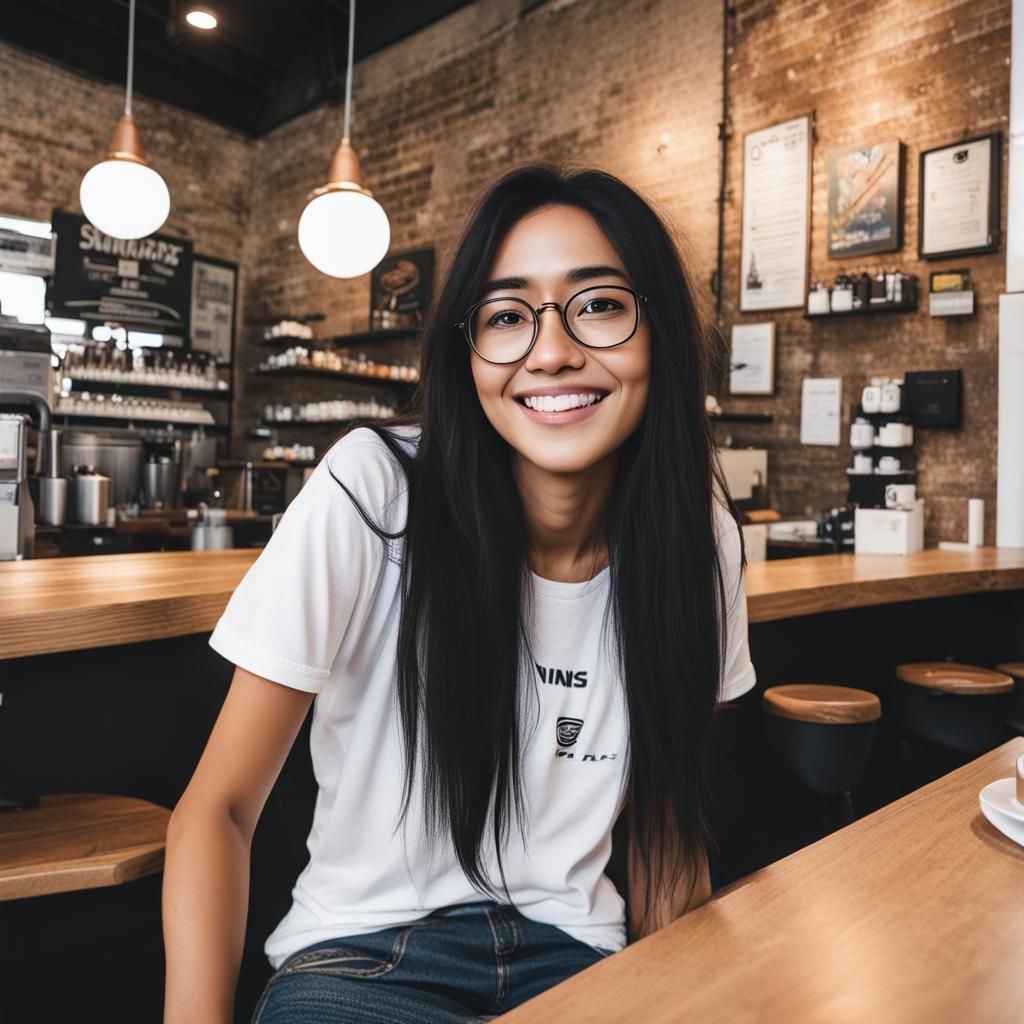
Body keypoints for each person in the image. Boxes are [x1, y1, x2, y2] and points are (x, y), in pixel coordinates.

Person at [162, 163, 756, 1024]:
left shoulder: (696, 539)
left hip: (581, 959)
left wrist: (681, 993)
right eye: (508, 316)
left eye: (598, 304)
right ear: (466, 351)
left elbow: (665, 832)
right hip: (365, 964)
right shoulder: (374, 494)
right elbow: (215, 813)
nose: (551, 350)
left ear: (659, 332)